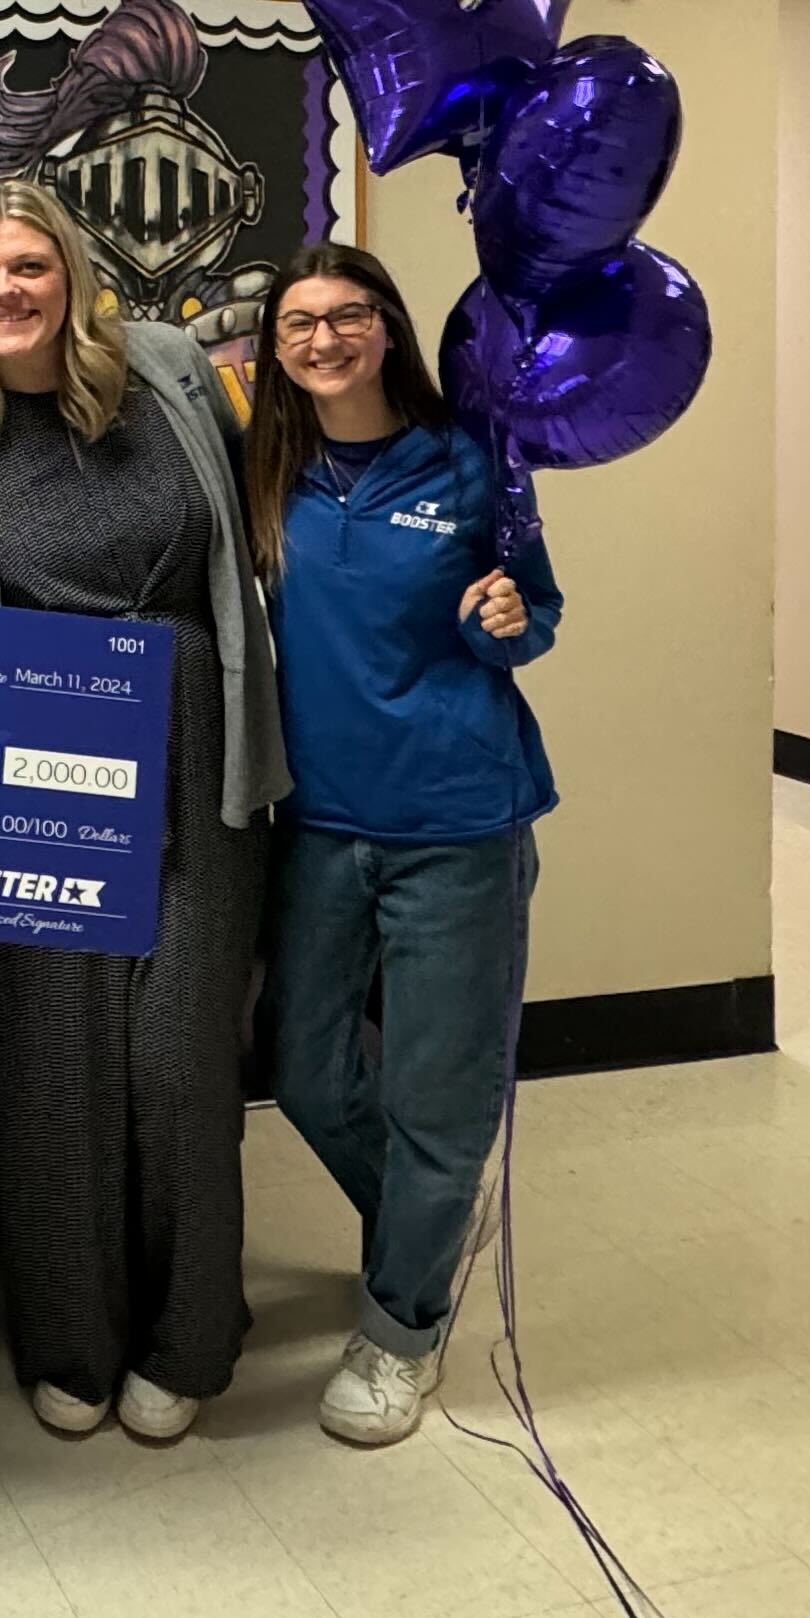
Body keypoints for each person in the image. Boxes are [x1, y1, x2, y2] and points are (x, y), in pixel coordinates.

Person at [0, 178, 286, 1445]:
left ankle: (190, 1336)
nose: (6, 291)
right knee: (52, 1060)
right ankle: (72, 1338)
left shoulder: (176, 371)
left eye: (27, 265)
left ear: (71, 271)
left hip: (195, 735)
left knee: (177, 1055)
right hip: (33, 759)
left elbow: (280, 508)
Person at [243, 240, 559, 1451]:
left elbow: (538, 614)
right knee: (311, 1070)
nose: (323, 339)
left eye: (348, 316)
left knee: (439, 1092)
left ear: (389, 327)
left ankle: (403, 1329)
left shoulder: (471, 462)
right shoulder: (271, 470)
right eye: (298, 322)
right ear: (274, 348)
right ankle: (423, 1225)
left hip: (457, 822)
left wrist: (510, 621)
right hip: (320, 820)